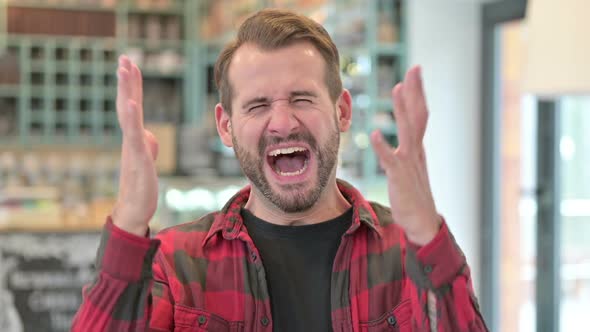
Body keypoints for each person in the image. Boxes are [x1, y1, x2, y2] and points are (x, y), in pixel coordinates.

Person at [72, 8, 487, 332]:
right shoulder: (177, 264)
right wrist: (128, 220)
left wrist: (427, 236)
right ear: (226, 126)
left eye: (302, 98)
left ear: (342, 111)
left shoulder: (406, 252)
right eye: (257, 105)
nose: (284, 122)